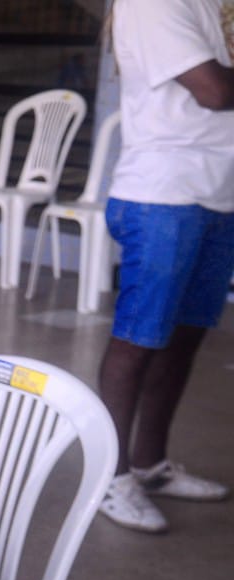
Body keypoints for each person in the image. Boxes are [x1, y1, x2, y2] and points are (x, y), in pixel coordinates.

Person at [95, 0, 234, 533]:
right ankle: (111, 476)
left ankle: (150, 465)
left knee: (183, 341)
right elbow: (214, 90)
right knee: (139, 339)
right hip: (163, 195)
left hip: (216, 193)